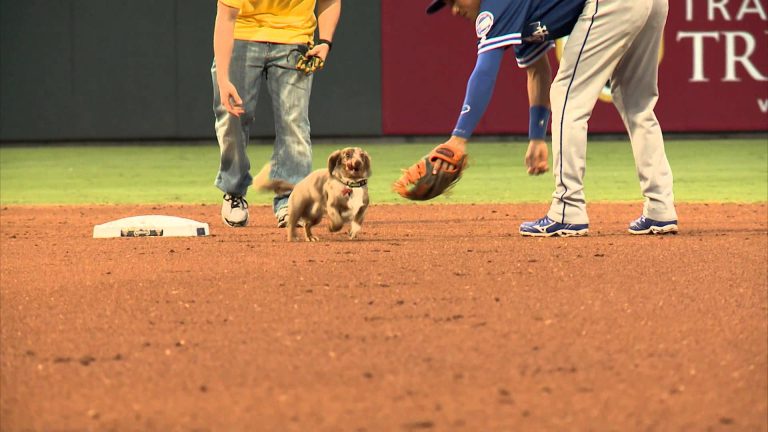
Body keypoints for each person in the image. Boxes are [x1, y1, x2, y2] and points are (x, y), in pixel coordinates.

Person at [424, 0, 678, 237]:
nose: (454, 10)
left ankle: (567, 210)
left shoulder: (494, 6)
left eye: (453, 0)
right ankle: (660, 208)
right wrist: (537, 138)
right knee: (637, 104)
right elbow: (537, 70)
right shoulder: (515, 11)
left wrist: (458, 138)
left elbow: (485, 71)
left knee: (568, 95)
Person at [212, 0, 341, 227]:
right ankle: (233, 191)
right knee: (232, 116)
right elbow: (226, 17)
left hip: (295, 39)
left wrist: (326, 41)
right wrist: (223, 78)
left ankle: (291, 200)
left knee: (294, 123)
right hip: (243, 35)